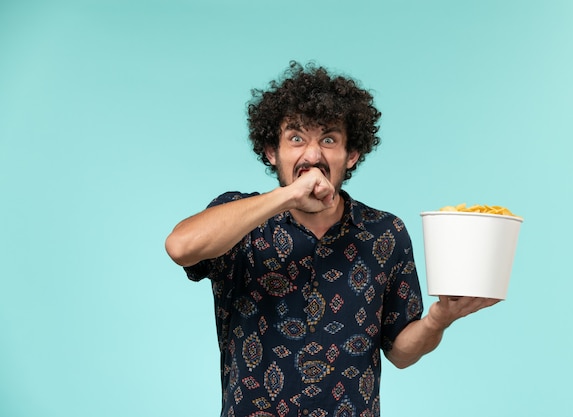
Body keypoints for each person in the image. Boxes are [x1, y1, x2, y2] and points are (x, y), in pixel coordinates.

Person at [165, 61, 499, 417]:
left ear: (351, 155)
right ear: (271, 153)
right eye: (296, 139)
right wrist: (289, 195)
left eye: (328, 139)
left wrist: (439, 318)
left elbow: (401, 352)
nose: (312, 155)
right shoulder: (239, 219)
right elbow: (181, 247)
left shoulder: (386, 234)